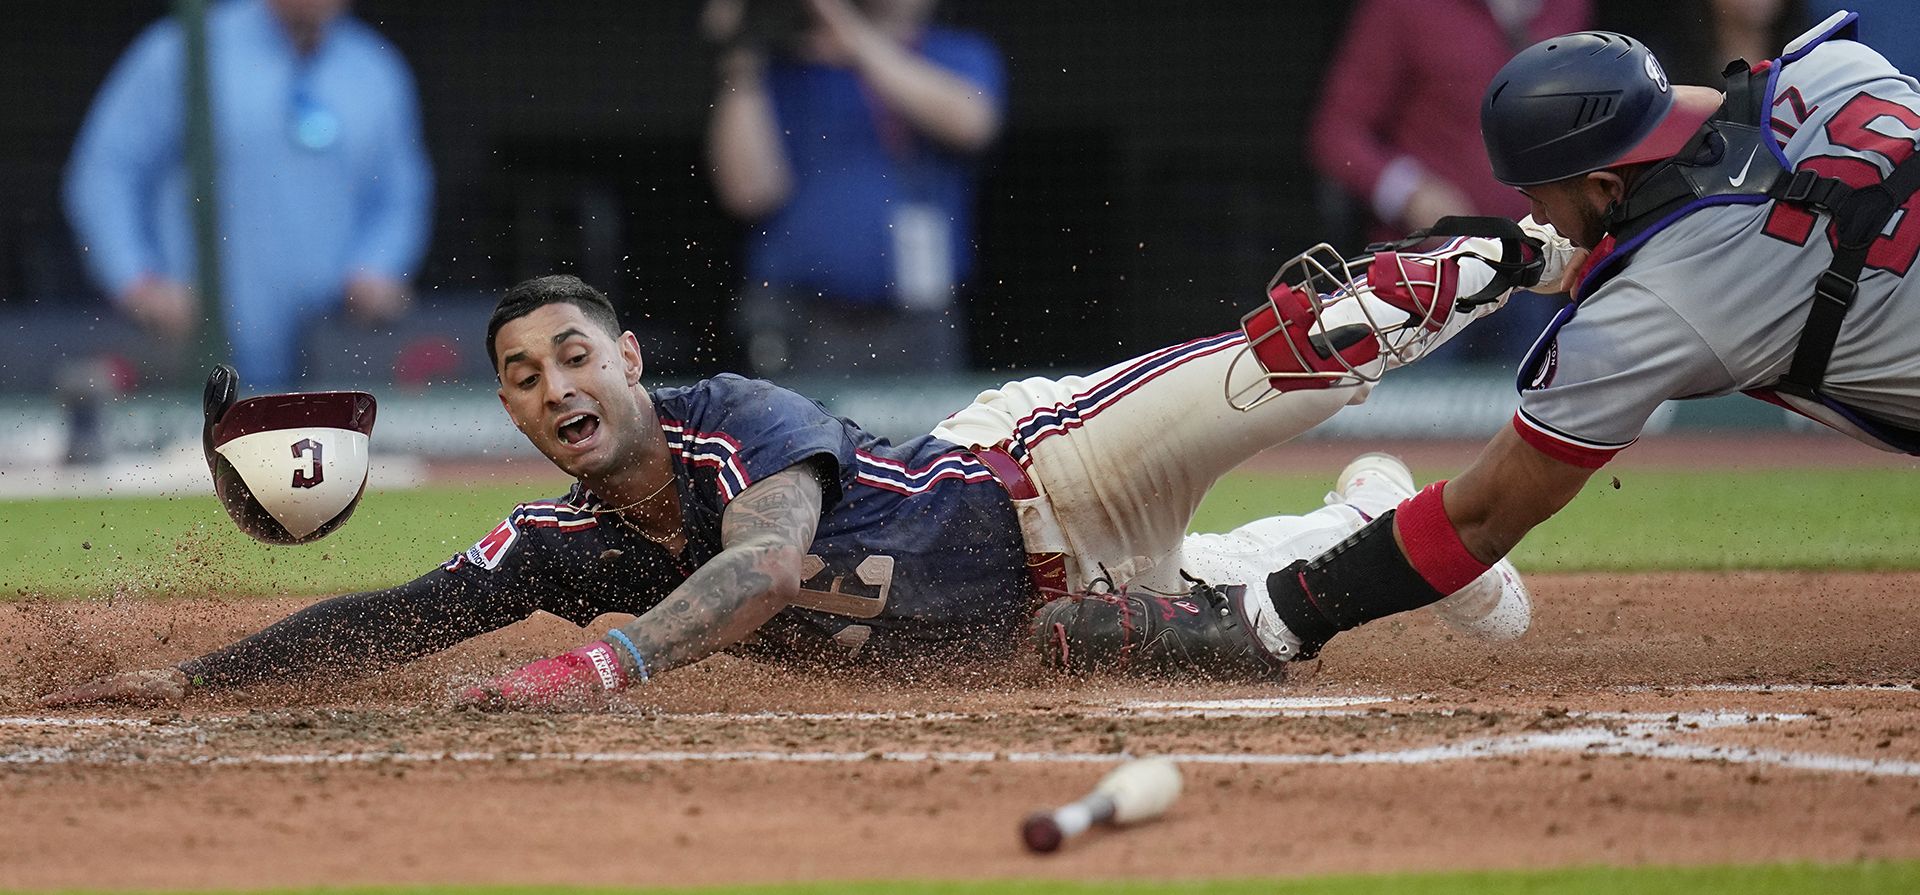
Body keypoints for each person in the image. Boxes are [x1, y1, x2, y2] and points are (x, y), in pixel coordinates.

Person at [42, 235, 1546, 709]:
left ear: (628, 359)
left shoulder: (729, 413)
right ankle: (1355, 519)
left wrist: (602, 667)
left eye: (575, 354)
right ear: (510, 410)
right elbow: (398, 612)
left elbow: (764, 563)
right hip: (1057, 631)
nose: (555, 388)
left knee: (1286, 349)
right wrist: (195, 682)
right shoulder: (556, 538)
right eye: (521, 376)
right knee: (1256, 617)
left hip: (1045, 474)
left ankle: (1532, 248)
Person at [1236, 13, 1920, 668]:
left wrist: (1282, 613)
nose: (1533, 215)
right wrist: (1551, 250)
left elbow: (1480, 518)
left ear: (1600, 185)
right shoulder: (1836, 67)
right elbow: (1721, 130)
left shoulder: (1652, 308)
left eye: (1539, 199)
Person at [64, 0, 433, 388]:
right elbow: (106, 174)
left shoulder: (375, 68)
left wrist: (378, 266)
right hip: (194, 346)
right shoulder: (184, 49)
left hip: (331, 345)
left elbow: (400, 195)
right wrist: (137, 280)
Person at [704, 0, 1004, 377]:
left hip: (919, 319)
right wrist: (740, 54)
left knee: (934, 434)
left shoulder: (956, 51)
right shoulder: (790, 65)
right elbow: (747, 193)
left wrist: (850, 34)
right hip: (798, 317)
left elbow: (971, 122)